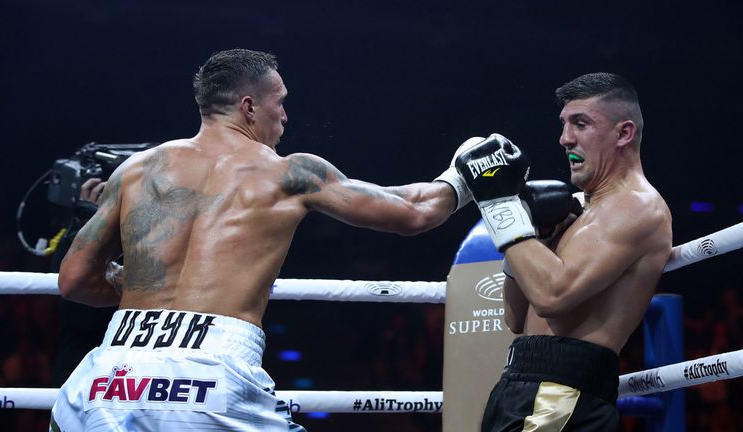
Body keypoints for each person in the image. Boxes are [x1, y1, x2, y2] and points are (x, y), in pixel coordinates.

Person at [49, 48, 471, 431]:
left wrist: (133, 285)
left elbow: (74, 281)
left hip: (108, 376)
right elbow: (413, 213)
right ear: (249, 107)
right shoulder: (289, 172)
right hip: (209, 379)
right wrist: (464, 177)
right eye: (280, 102)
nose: (285, 116)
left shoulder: (135, 170)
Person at [454, 73, 673, 431]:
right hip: (522, 383)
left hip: (561, 396)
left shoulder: (638, 207)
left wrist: (501, 206)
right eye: (564, 124)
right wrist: (534, 235)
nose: (565, 138)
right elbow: (514, 316)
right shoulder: (573, 209)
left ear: (624, 133)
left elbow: (553, 296)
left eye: (581, 123)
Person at [50, 178, 117, 388]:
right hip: (81, 357)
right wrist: (90, 219)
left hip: (127, 357)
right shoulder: (79, 229)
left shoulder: (155, 228)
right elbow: (70, 286)